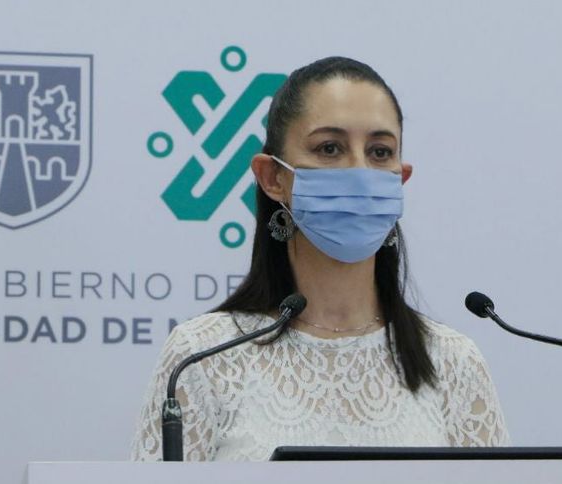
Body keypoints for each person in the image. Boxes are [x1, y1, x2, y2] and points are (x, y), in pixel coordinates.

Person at [131, 56, 509, 461]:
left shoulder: (454, 362)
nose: (360, 171)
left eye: (380, 151)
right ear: (273, 177)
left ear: (400, 179)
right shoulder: (203, 356)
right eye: (330, 148)